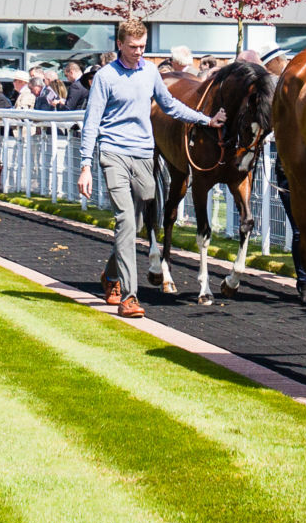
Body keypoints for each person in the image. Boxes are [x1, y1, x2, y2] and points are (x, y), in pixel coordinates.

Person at [76, 17, 222, 317]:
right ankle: (130, 297)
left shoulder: (151, 72)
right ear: (120, 44)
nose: (139, 51)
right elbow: (91, 123)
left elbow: (169, 105)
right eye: (133, 47)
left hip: (143, 155)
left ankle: (110, 275)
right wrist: (85, 165)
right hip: (113, 153)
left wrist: (205, 120)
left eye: (143, 46)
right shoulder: (105, 77)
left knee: (138, 223)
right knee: (126, 222)